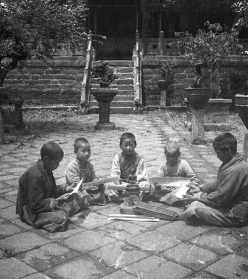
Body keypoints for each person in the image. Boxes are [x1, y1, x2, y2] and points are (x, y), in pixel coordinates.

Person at [16, 141, 89, 233]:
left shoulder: (47, 169)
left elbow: (52, 190)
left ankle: (61, 212)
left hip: (46, 203)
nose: (58, 165)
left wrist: (66, 188)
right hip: (31, 212)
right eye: (57, 162)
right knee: (60, 217)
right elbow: (34, 204)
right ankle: (49, 219)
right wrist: (51, 202)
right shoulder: (35, 175)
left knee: (80, 198)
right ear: (46, 159)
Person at [181, 133, 248, 227]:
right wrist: (201, 188)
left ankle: (231, 220)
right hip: (229, 201)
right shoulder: (231, 162)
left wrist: (200, 197)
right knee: (196, 204)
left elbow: (222, 196)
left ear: (227, 150)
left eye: (218, 153)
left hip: (236, 212)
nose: (217, 156)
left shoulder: (236, 169)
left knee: (197, 210)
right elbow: (219, 182)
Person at [106, 132, 153, 201]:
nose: (129, 148)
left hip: (136, 186)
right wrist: (119, 183)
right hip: (122, 186)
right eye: (126, 145)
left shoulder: (139, 159)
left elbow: (143, 176)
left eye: (131, 145)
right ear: (120, 146)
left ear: (135, 145)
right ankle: (119, 197)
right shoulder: (117, 158)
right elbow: (115, 175)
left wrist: (136, 182)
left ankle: (134, 196)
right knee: (108, 185)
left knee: (146, 185)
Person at [65, 137, 105, 204]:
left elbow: (93, 178)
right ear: (75, 152)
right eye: (83, 151)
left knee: (104, 187)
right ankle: (91, 199)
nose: (87, 153)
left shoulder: (89, 165)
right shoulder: (72, 167)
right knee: (80, 195)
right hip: (77, 190)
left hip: (88, 188)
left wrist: (98, 181)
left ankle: (93, 199)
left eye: (89, 150)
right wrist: (75, 183)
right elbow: (73, 185)